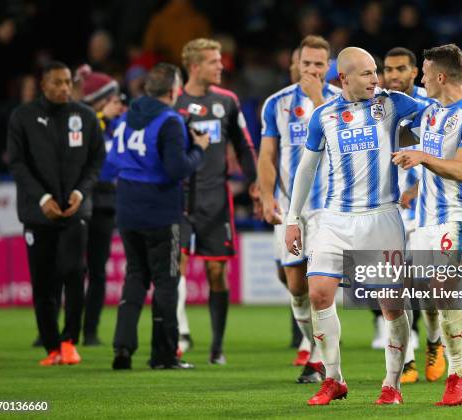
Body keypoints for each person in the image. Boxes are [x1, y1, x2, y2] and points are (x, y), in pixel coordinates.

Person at [285, 47, 427, 406]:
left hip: (382, 217)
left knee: (391, 306)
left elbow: (437, 113)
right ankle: (333, 379)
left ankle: (392, 383)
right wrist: (292, 218)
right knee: (318, 292)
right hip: (335, 218)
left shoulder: (392, 103)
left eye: (375, 72)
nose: (376, 79)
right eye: (366, 73)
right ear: (343, 78)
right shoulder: (324, 116)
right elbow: (306, 169)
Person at [392, 43, 462, 406]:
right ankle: (443, 369)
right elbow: (396, 104)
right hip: (424, 221)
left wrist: (421, 156)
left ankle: (459, 378)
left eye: (422, 72)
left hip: (457, 218)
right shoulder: (432, 112)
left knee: (444, 292)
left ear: (439, 76)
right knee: (413, 293)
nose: (419, 78)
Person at [108, 63, 209, 370]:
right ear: (173, 91)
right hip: (161, 211)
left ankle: (122, 349)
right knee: (166, 281)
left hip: (127, 207)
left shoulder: (126, 117)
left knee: (136, 276)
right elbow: (176, 169)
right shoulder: (170, 122)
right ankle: (163, 356)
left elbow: (113, 160)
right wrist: (200, 149)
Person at [7, 61, 105, 366]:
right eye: (57, 83)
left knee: (74, 273)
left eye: (67, 82)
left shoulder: (86, 117)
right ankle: (51, 347)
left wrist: (79, 193)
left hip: (75, 210)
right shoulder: (22, 117)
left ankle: (69, 341)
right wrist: (43, 198)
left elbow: (95, 162)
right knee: (44, 281)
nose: (64, 88)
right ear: (43, 85)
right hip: (38, 214)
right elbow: (17, 164)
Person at [259, 35, 341, 383]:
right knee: (295, 286)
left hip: (328, 208)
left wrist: (317, 99)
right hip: (291, 209)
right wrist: (266, 197)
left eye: (318, 64)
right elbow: (267, 155)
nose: (311, 69)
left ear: (328, 67)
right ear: (296, 63)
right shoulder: (275, 104)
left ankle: (323, 361)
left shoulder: (340, 101)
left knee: (319, 286)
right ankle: (314, 347)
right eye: (305, 63)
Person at [175, 38, 258, 364]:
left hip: (215, 198)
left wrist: (255, 185)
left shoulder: (227, 102)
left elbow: (244, 147)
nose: (221, 66)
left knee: (216, 273)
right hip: (177, 199)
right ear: (195, 66)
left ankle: (216, 348)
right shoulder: (173, 102)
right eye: (213, 61)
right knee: (175, 267)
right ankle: (179, 335)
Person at [382, 47, 445, 385]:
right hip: (385, 214)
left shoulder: (431, 107)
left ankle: (434, 342)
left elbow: (444, 155)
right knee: (393, 290)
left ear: (413, 72)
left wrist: (418, 189)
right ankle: (405, 360)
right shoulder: (375, 108)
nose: (393, 75)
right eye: (388, 69)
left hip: (422, 212)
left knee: (429, 290)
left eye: (401, 68)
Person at [76, 64, 124, 345]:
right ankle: (58, 330)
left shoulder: (120, 125)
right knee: (69, 268)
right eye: (111, 98)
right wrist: (100, 119)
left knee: (96, 269)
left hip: (105, 202)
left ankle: (90, 331)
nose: (116, 104)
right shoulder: (81, 121)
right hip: (79, 201)